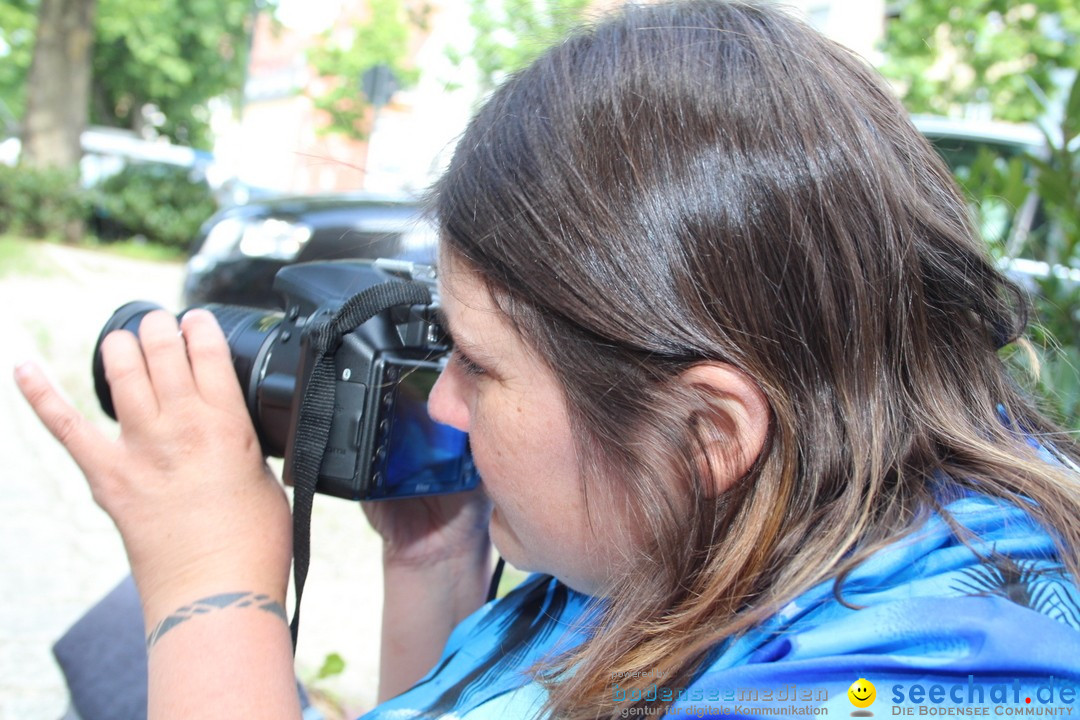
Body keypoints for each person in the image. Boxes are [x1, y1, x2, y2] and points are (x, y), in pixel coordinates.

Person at [15, 1, 1080, 718]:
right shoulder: (737, 527)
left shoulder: (915, 684)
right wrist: (433, 556)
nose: (444, 399)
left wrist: (209, 597)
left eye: (478, 366)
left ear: (707, 431)